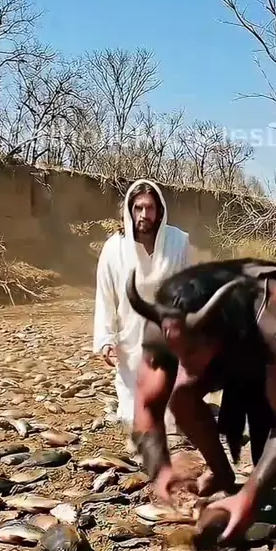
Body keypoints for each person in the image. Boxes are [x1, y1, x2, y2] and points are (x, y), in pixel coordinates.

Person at [126, 258, 276, 542]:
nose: (184, 366)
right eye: (178, 354)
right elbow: (147, 406)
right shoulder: (162, 326)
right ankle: (222, 474)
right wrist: (161, 471)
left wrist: (250, 497)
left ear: (214, 336)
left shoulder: (274, 311)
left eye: (192, 351)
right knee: (182, 395)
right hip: (229, 340)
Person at [93, 178, 193, 431]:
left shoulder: (178, 242)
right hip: (131, 341)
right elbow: (105, 297)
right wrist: (105, 339)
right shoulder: (114, 248)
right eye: (138, 208)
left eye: (150, 208)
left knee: (170, 420)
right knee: (135, 417)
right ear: (130, 209)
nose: (144, 214)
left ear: (160, 211)